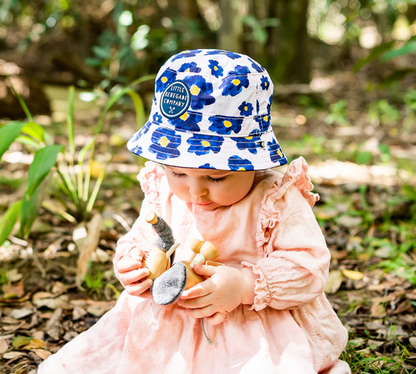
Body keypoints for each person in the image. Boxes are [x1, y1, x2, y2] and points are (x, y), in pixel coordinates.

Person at [38, 49, 350, 374]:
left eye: (215, 177)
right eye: (177, 173)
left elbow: (309, 266)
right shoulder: (164, 191)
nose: (195, 191)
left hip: (254, 325)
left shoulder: (273, 199)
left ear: (253, 162)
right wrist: (135, 264)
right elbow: (144, 238)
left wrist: (245, 284)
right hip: (169, 320)